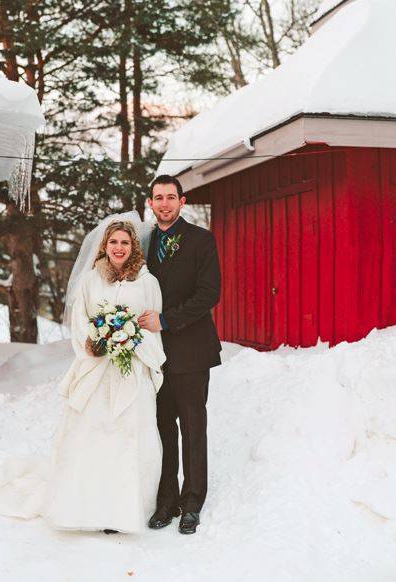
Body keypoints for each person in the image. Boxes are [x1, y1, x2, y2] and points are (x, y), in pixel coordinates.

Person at [0, 217, 165, 534]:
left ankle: (126, 508)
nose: (119, 247)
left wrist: (130, 340)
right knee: (94, 434)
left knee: (131, 435)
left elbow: (152, 324)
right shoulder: (92, 280)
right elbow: (81, 321)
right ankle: (88, 505)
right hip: (98, 368)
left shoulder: (148, 283)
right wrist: (100, 342)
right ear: (105, 247)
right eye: (113, 242)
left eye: (124, 242)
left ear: (133, 246)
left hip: (132, 368)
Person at [138, 174, 222, 535]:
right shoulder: (143, 242)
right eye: (158, 198)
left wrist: (167, 321)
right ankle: (167, 501)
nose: (164, 203)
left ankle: (192, 503)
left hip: (191, 349)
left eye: (171, 197)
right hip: (154, 356)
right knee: (161, 428)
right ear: (151, 203)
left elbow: (209, 294)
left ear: (182, 201)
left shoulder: (201, 240)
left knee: (192, 427)